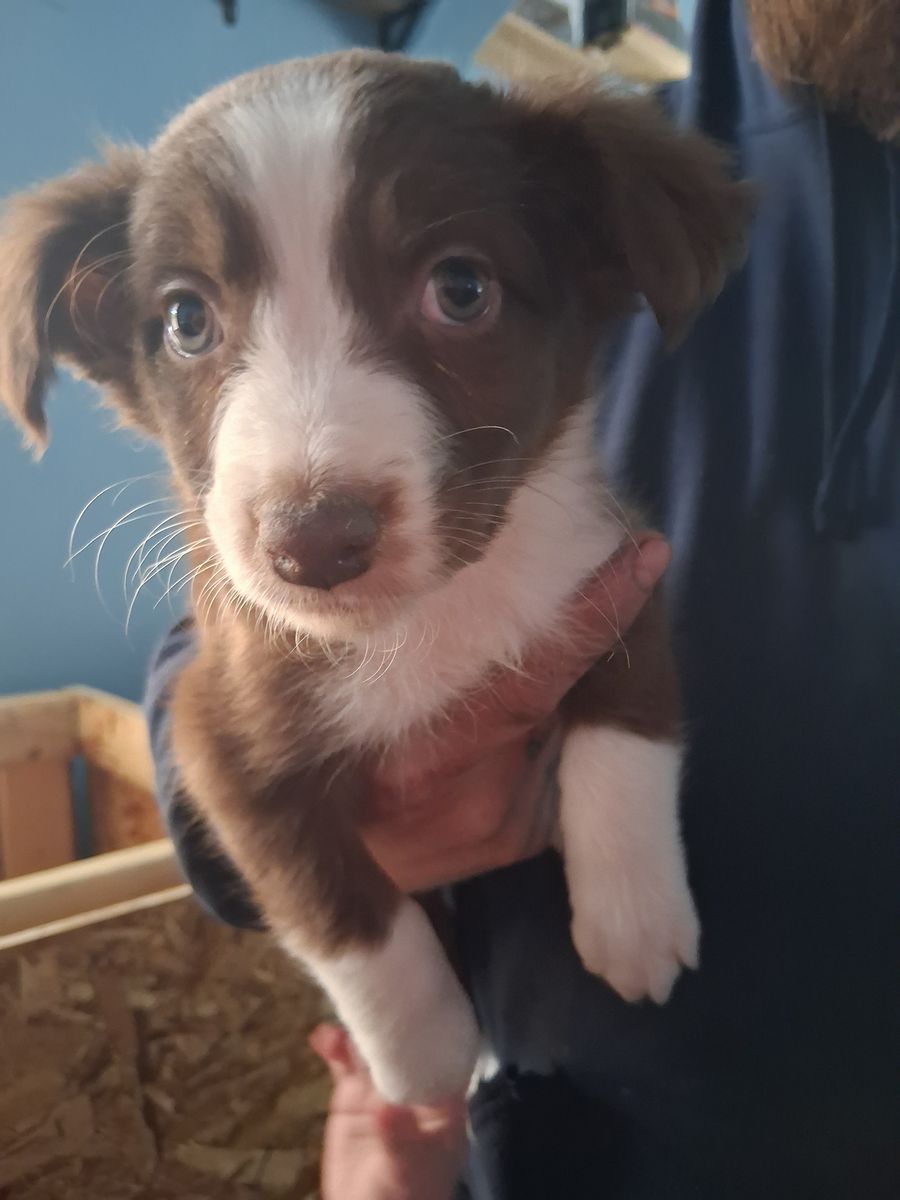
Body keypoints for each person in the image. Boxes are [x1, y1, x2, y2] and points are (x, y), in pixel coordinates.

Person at [146, 0, 900, 1195]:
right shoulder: (589, 165)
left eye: (456, 288)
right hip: (563, 1141)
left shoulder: (584, 193)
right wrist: (362, 928)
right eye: (191, 320)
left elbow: (618, 618)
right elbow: (202, 680)